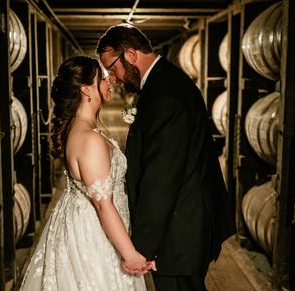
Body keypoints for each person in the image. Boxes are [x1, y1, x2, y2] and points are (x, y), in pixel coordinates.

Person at [97, 24, 236, 291]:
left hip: (178, 230)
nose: (113, 77)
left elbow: (161, 179)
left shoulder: (165, 95)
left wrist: (143, 247)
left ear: (130, 54)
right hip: (181, 223)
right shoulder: (164, 82)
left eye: (112, 67)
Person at [20, 56, 150, 290]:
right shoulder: (90, 139)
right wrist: (130, 254)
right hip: (93, 235)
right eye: (102, 78)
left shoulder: (80, 128)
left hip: (84, 224)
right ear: (86, 89)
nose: (110, 80)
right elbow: (102, 204)